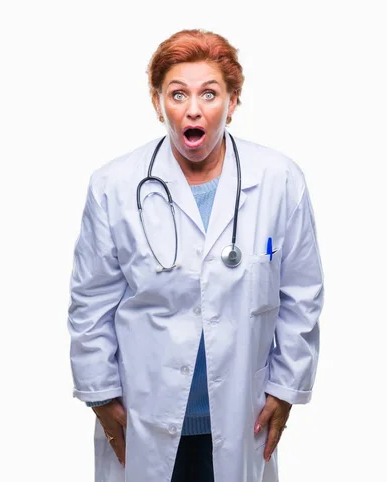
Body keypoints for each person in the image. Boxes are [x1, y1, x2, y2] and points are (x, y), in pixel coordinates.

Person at [67, 28, 324, 482]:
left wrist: (286, 388)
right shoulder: (114, 186)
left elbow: (301, 294)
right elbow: (90, 301)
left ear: (233, 101)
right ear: (157, 101)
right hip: (142, 414)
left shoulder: (279, 181)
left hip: (242, 414)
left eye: (209, 93)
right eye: (177, 93)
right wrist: (100, 395)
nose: (192, 109)